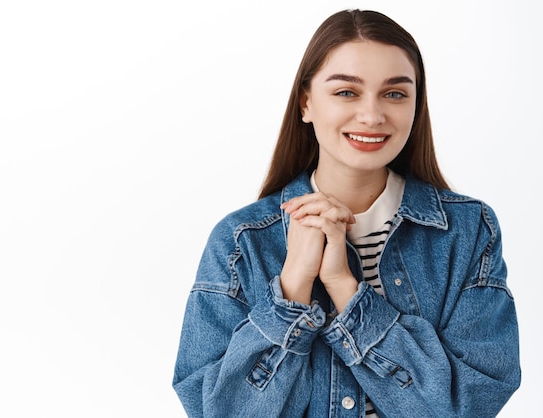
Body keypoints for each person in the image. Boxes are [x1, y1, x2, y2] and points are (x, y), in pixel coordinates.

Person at [172, 9, 521, 418]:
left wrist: (343, 287)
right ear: (306, 103)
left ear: (415, 106)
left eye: (395, 93)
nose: (372, 116)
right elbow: (217, 411)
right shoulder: (241, 241)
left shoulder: (467, 231)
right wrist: (291, 288)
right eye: (346, 92)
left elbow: (469, 405)